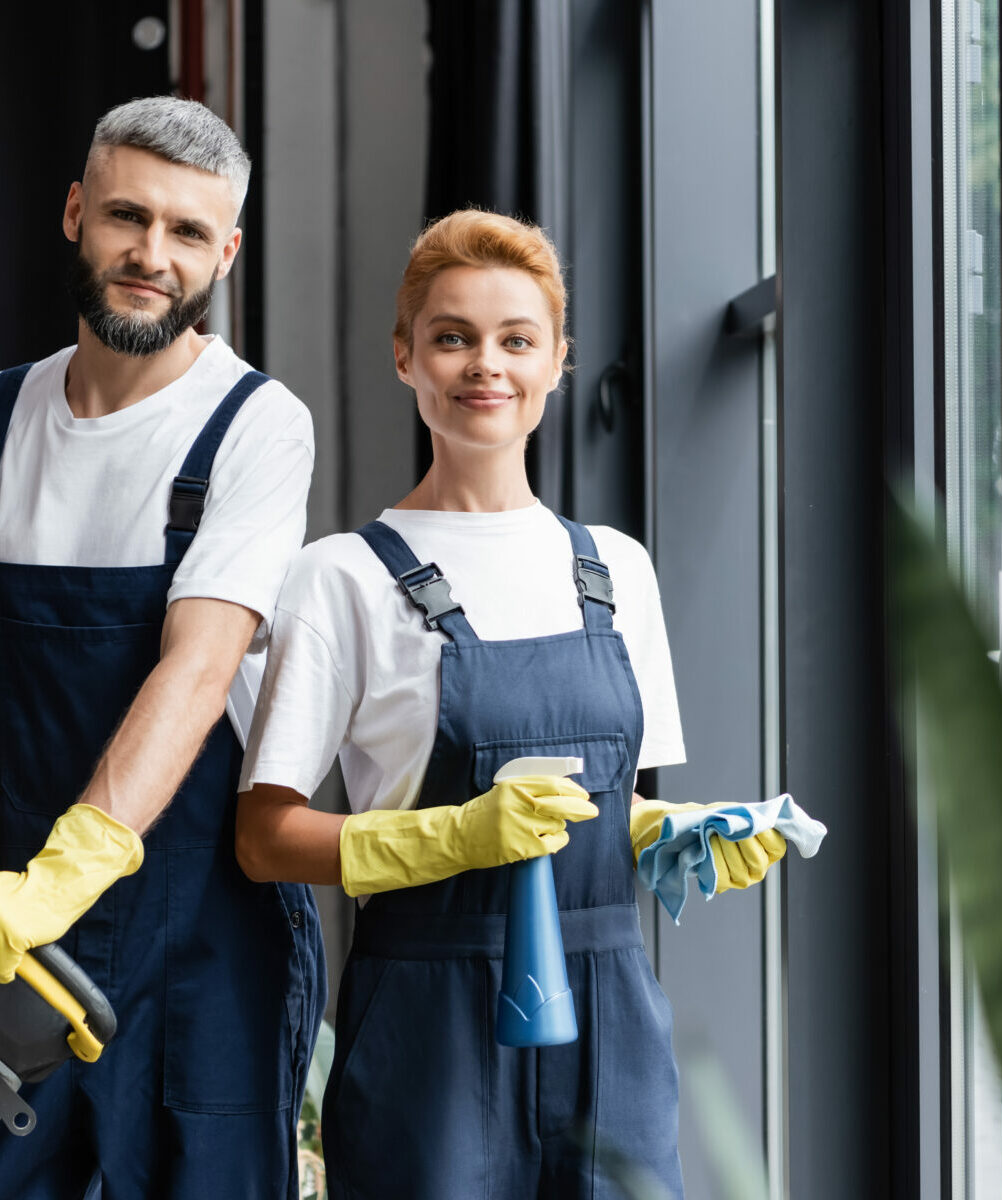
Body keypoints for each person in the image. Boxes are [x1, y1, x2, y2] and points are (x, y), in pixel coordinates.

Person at [234, 208, 786, 1199]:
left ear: (557, 361)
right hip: (427, 1026)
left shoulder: (614, 570)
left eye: (515, 340)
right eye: (452, 337)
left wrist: (683, 833)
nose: (484, 364)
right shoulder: (344, 578)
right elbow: (265, 837)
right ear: (405, 358)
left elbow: (605, 816)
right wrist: (449, 839)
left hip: (610, 1018)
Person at [0, 95, 324, 1198]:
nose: (151, 255)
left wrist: (75, 869)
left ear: (227, 254)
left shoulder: (258, 425)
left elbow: (198, 667)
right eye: (127, 217)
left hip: (206, 938)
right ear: (76, 211)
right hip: (8, 936)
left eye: (188, 234)